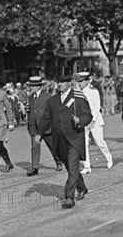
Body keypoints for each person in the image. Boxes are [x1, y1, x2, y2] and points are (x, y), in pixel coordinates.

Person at [37, 76, 92, 209]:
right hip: (59, 140)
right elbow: (46, 118)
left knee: (73, 167)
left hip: (74, 138)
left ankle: (69, 197)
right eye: (58, 82)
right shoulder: (53, 100)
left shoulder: (78, 97)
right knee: (70, 167)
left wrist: (80, 120)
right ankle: (82, 187)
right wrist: (40, 133)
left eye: (62, 82)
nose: (59, 85)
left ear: (69, 83)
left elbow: (88, 116)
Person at [77, 72, 113, 174]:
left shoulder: (93, 91)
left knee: (99, 142)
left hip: (95, 120)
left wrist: (92, 120)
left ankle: (108, 157)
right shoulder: (78, 93)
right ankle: (87, 166)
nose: (79, 83)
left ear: (87, 81)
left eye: (81, 81)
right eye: (78, 81)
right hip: (83, 121)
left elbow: (97, 106)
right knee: (83, 144)